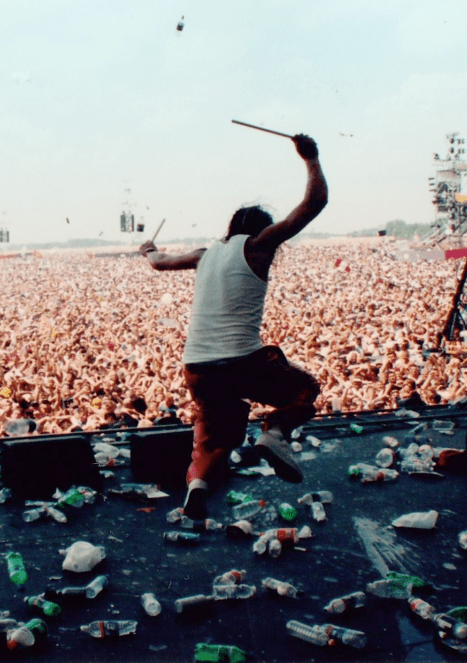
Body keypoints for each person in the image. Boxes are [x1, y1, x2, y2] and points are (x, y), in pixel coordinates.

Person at [138, 133, 328, 520]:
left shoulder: (205, 254)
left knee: (213, 437)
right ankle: (275, 433)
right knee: (306, 389)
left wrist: (148, 250)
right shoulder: (258, 245)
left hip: (197, 367)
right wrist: (311, 159)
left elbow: (159, 262)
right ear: (261, 229)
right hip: (241, 360)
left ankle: (197, 487)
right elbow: (313, 204)